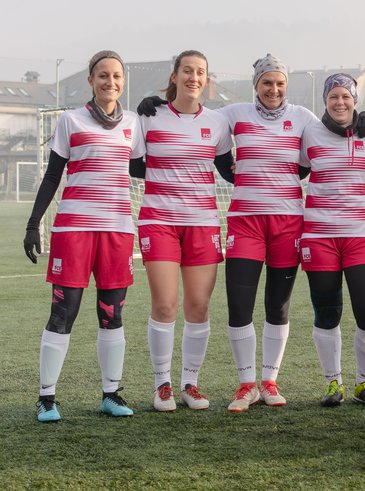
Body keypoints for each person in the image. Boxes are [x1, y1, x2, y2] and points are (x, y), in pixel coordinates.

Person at [25, 50, 143, 422]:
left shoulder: (135, 124)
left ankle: (110, 394)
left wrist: (163, 108)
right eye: (103, 76)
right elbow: (52, 176)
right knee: (64, 312)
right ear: (90, 81)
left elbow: (144, 167)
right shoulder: (70, 120)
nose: (111, 82)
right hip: (73, 230)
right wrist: (33, 223)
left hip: (118, 230)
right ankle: (46, 399)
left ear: (123, 82)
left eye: (117, 77)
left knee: (112, 313)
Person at [131, 50, 233, 412]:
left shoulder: (219, 122)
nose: (194, 77)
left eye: (200, 72)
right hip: (158, 221)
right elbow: (132, 164)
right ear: (173, 76)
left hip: (203, 222)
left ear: (207, 79)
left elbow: (228, 169)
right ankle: (162, 385)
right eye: (187, 71)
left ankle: (190, 383)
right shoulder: (149, 115)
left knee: (199, 306)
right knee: (164, 304)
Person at [216, 55, 319, 412]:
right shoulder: (234, 114)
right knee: (239, 304)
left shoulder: (304, 118)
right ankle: (246, 385)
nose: (273, 90)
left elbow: (316, 154)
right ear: (256, 85)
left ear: (285, 86)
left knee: (278, 305)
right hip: (245, 221)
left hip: (288, 222)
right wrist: (156, 104)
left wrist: (361, 123)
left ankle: (270, 381)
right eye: (266, 83)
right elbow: (198, 121)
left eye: (279, 84)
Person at [300, 73, 365, 407]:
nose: (340, 102)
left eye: (345, 97)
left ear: (354, 101)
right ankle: (332, 383)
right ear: (325, 100)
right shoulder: (310, 133)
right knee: (327, 311)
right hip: (319, 235)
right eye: (333, 96)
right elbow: (293, 168)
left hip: (361, 235)